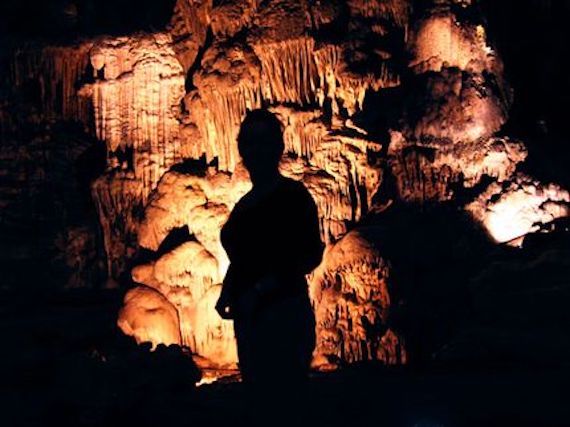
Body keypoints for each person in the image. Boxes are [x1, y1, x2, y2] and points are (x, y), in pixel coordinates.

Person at [215, 109, 323, 413]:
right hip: (250, 320)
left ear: (278, 147)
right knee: (258, 403)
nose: (256, 150)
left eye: (263, 142)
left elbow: (308, 254)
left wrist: (261, 289)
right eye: (250, 143)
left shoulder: (293, 196)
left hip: (283, 316)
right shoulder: (243, 206)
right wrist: (228, 290)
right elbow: (242, 258)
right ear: (242, 150)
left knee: (283, 404)